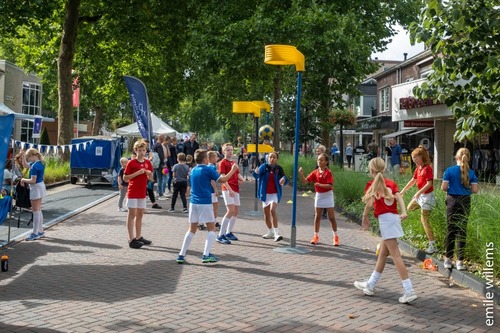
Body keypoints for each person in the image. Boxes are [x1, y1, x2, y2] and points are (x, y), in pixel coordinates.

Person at [354, 157, 417, 304]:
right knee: (382, 254)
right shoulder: (391, 183)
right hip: (393, 218)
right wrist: (403, 211)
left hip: (385, 220)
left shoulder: (372, 184)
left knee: (395, 256)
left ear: (371, 170)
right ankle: (371, 284)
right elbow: (398, 196)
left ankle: (409, 290)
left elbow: (369, 204)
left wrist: (364, 217)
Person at [176, 149, 239, 264]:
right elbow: (223, 179)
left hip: (193, 203)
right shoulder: (208, 169)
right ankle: (206, 254)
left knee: (191, 229)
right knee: (211, 228)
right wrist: (233, 170)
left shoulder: (193, 170)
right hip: (204, 202)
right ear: (205, 159)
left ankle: (181, 254)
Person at [441, 148, 479, 271]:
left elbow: (443, 187)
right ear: (468, 158)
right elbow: (475, 190)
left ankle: (448, 259)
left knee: (451, 230)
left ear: (456, 157)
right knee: (462, 230)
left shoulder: (449, 171)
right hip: (465, 201)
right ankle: (460, 262)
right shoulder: (471, 173)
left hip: (452, 200)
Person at [400, 146, 437, 254]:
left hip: (427, 196)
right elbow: (413, 180)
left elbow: (429, 183)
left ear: (422, 157)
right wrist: (403, 191)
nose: (414, 160)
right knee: (409, 207)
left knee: (424, 221)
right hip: (420, 196)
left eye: (415, 157)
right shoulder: (418, 169)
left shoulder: (427, 169)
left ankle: (432, 244)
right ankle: (424, 210)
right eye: (413, 158)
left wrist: (418, 192)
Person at [298, 153, 340, 246]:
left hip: (328, 195)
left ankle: (335, 236)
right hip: (319, 196)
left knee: (331, 217)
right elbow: (305, 181)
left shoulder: (328, 172)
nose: (319, 161)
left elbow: (330, 185)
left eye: (321, 160)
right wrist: (301, 174)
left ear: (326, 162)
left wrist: (320, 185)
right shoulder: (315, 172)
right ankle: (315, 236)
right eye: (318, 160)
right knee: (317, 216)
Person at [123, 140, 155, 249]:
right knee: (132, 215)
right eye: (139, 150)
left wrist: (149, 175)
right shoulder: (131, 163)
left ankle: (138, 236)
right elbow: (125, 178)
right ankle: (131, 239)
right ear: (135, 151)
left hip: (142, 192)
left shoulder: (148, 162)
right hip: (133, 191)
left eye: (143, 150)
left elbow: (151, 179)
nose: (142, 152)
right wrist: (138, 173)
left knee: (140, 215)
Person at [254, 152, 288, 242]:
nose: (272, 159)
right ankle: (270, 232)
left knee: (273, 210)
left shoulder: (279, 168)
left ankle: (277, 233)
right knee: (266, 214)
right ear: (267, 158)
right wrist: (255, 172)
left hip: (274, 194)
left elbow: (285, 178)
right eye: (270, 157)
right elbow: (256, 176)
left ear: (277, 159)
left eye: (274, 157)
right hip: (265, 194)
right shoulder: (263, 167)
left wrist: (283, 179)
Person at [216, 143, 245, 244]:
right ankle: (220, 235)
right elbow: (223, 178)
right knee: (230, 210)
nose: (230, 152)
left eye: (231, 150)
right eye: (228, 150)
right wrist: (230, 190)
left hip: (235, 188)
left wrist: (241, 178)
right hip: (228, 189)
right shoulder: (222, 163)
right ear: (223, 151)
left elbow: (237, 174)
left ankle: (228, 232)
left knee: (235, 211)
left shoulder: (233, 162)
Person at [20, 148, 47, 241]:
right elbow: (25, 165)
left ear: (32, 155)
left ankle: (35, 233)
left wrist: (23, 180)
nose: (28, 159)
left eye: (28, 157)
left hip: (36, 188)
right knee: (38, 210)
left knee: (35, 211)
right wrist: (23, 156)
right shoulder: (39, 163)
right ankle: (40, 231)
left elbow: (33, 181)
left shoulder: (35, 166)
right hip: (40, 186)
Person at [152, 134, 166, 199]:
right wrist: (163, 164)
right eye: (163, 138)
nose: (164, 139)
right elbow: (161, 155)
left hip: (156, 164)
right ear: (161, 138)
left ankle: (159, 193)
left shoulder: (154, 145)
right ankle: (160, 194)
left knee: (158, 178)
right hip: (160, 164)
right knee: (161, 178)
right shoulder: (159, 145)